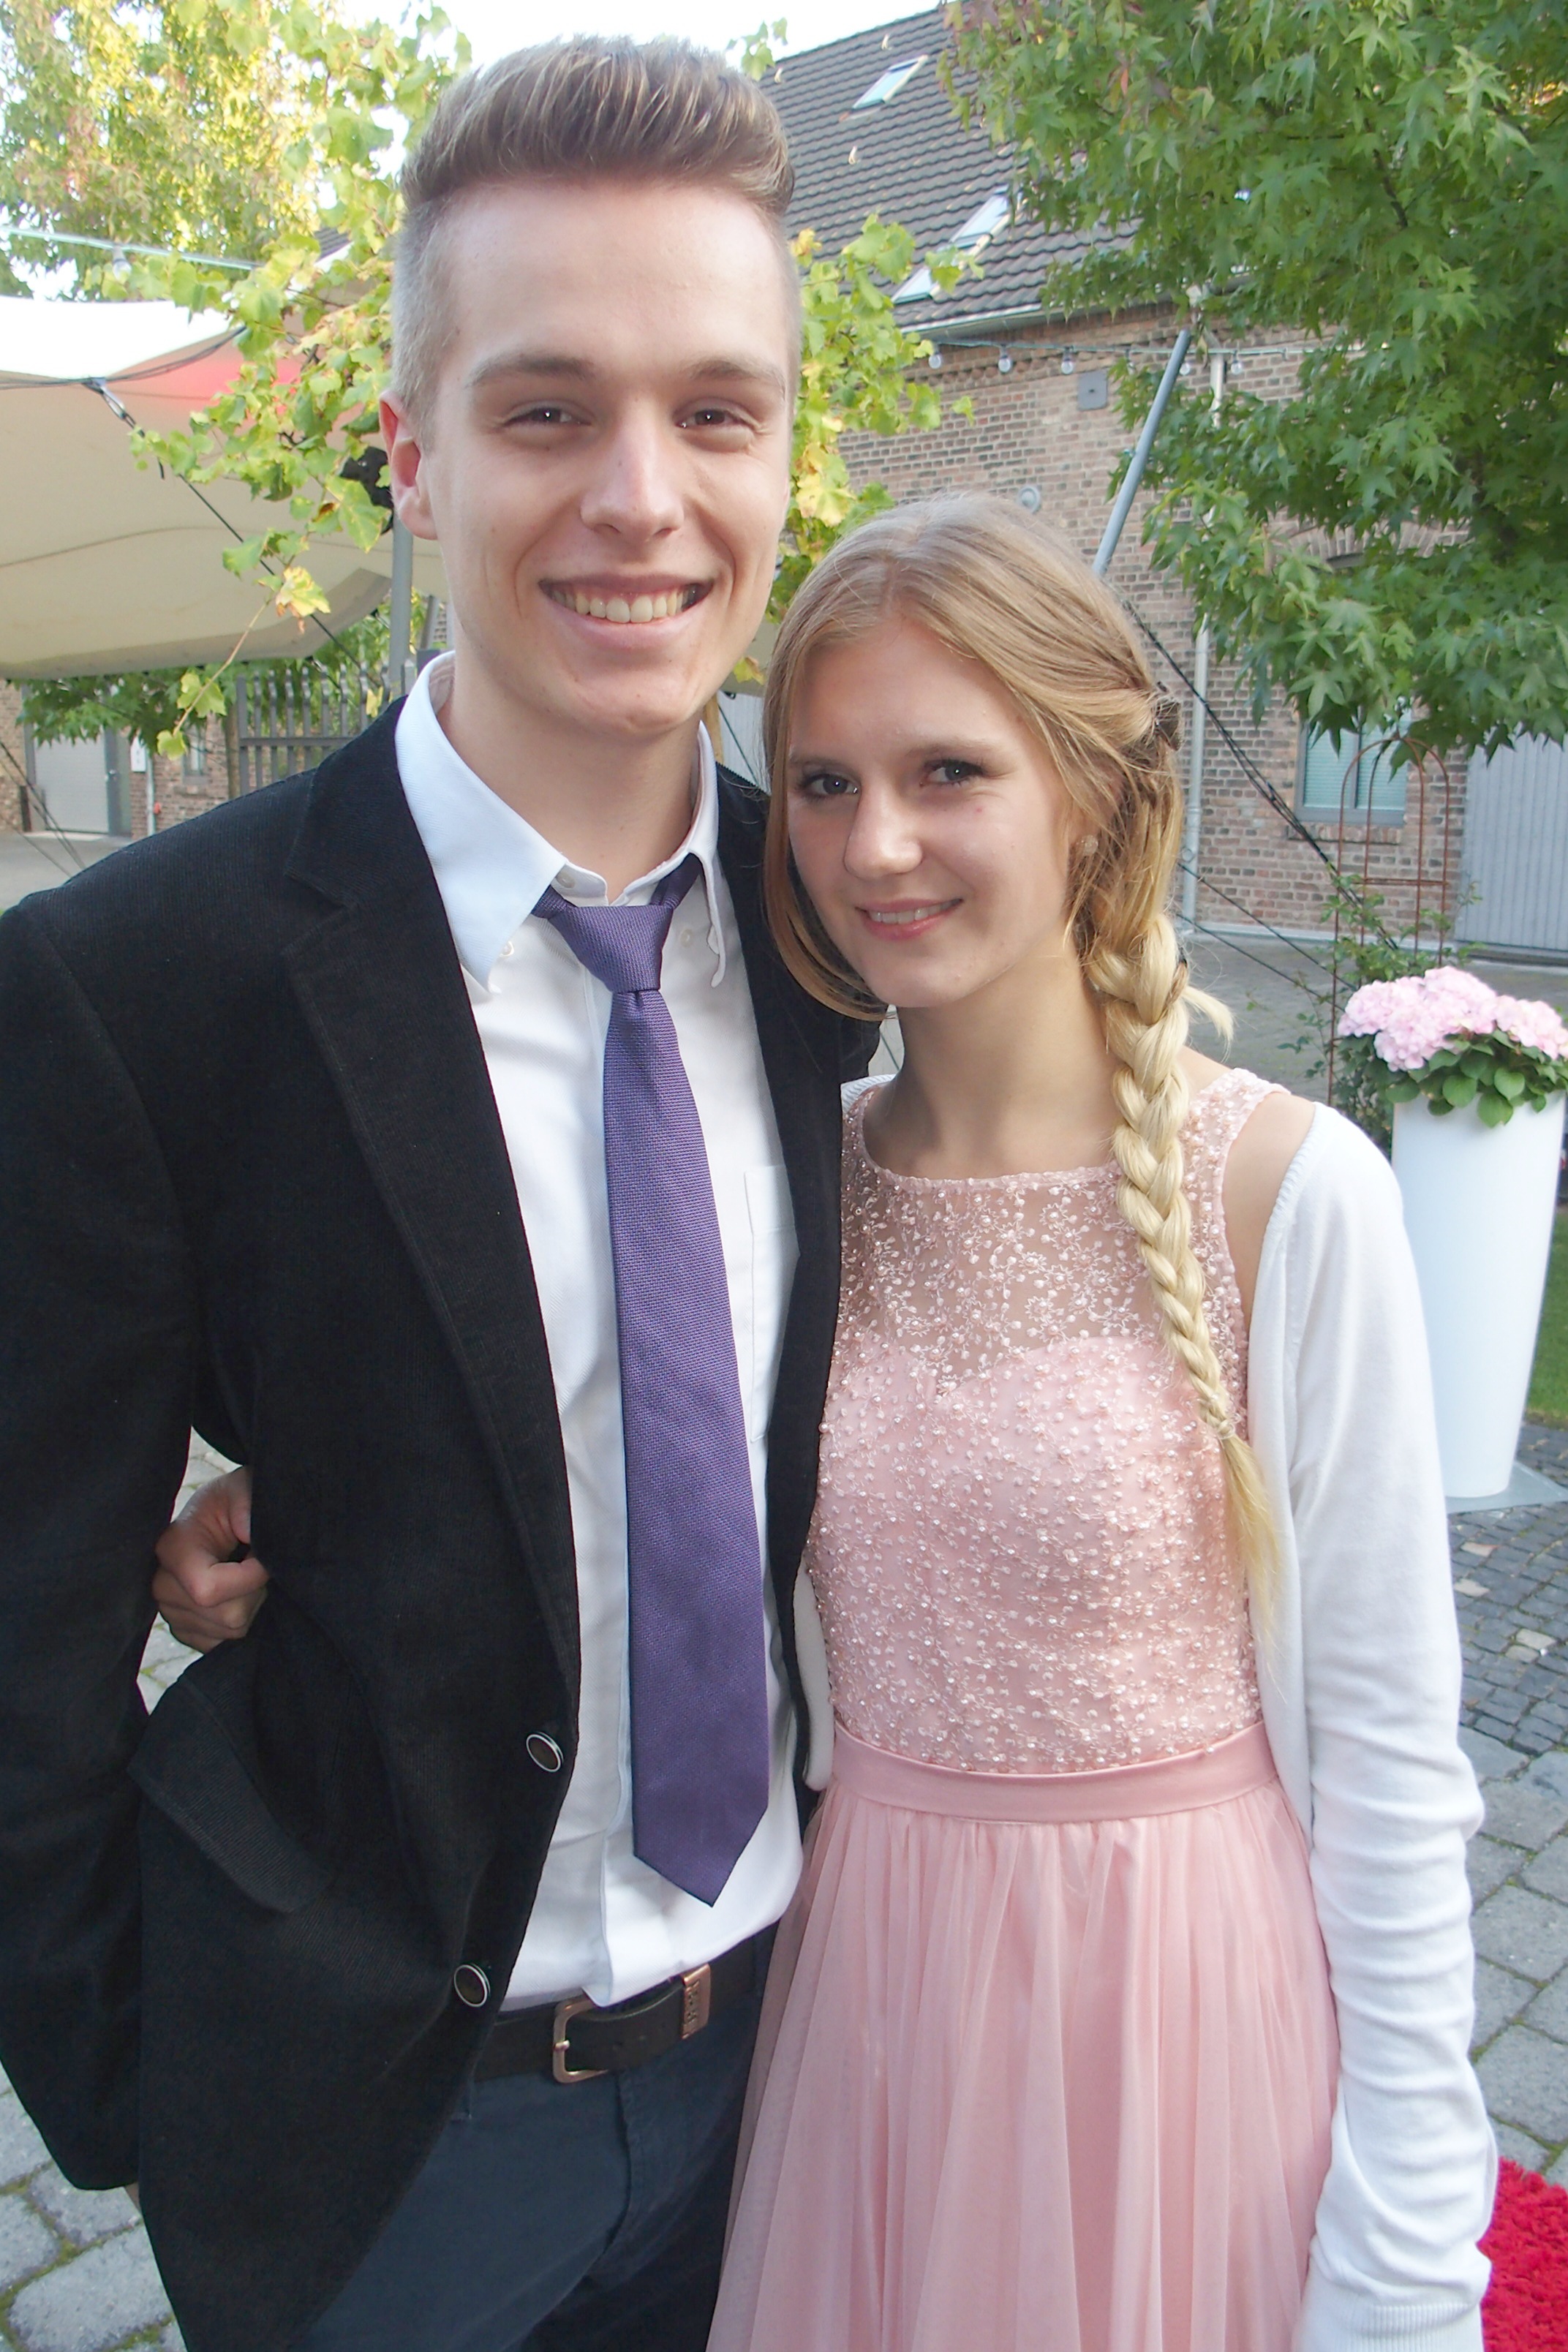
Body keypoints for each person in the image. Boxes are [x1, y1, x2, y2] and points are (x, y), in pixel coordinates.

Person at [0, 39, 874, 2352]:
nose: (641, 499)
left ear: (785, 451)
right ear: (413, 451)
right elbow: (26, 1617)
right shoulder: (138, 985)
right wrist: (131, 2074)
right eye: (547, 409)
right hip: (381, 2152)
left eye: (714, 411)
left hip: (786, 2063)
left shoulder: (846, 946)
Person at [695, 495, 1490, 2351]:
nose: (874, 846)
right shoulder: (790, 1186)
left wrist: (1404, 2259)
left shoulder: (1284, 1192)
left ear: (1098, 794)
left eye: (948, 772)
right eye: (821, 784)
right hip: (872, 2005)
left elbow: (1389, 1762)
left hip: (1174, 2020)